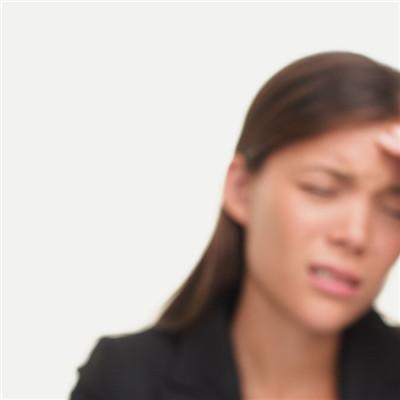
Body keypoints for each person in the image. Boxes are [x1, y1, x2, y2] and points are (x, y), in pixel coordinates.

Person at [70, 51, 400, 400]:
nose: (355, 234)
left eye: (394, 209)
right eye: (321, 189)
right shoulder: (126, 380)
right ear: (242, 189)